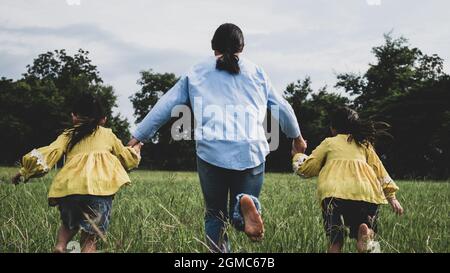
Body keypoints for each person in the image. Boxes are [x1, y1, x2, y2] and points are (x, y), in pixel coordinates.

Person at [128, 23, 307, 252]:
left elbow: (167, 104)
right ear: (242, 47)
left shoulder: (196, 71)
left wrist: (139, 135)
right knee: (241, 211)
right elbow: (282, 107)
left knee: (215, 214)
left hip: (212, 151)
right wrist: (297, 138)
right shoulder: (257, 72)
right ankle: (246, 204)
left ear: (213, 47)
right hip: (251, 150)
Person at [12, 94, 141, 253]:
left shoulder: (67, 135)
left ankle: (60, 246)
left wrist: (24, 171)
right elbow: (127, 159)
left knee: (68, 224)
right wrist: (136, 149)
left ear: (74, 116)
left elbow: (48, 154)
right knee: (90, 238)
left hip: (70, 189)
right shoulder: (108, 134)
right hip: (98, 191)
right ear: (103, 119)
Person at [292, 106, 404, 253]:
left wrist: (298, 154)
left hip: (334, 193)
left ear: (333, 128)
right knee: (367, 228)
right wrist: (391, 196)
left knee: (335, 240)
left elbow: (307, 169)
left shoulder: (329, 142)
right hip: (365, 191)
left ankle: (338, 244)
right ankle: (366, 236)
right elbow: (379, 170)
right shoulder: (365, 145)